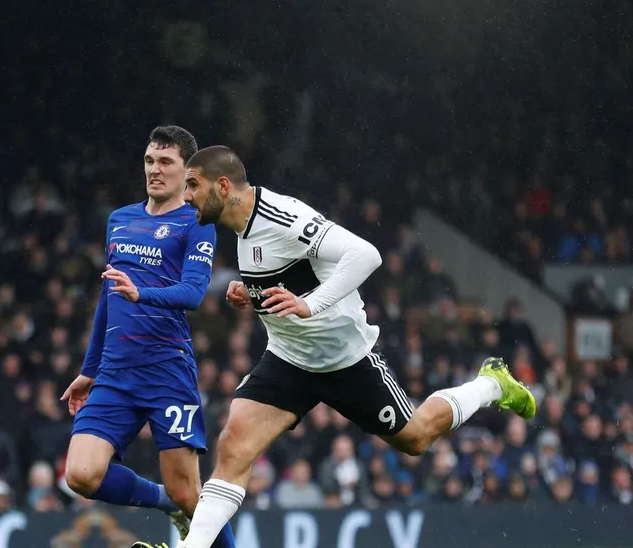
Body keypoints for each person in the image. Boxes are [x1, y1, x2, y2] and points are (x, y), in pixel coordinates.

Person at [158, 145, 537, 548]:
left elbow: (365, 255)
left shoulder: (282, 216)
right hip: (289, 360)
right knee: (234, 444)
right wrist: (253, 294)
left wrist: (311, 304)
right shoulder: (238, 226)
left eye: (193, 186)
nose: (186, 197)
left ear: (222, 185)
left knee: (416, 438)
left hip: (345, 361)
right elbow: (293, 274)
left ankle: (491, 384)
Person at [61, 126, 235, 548]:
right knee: (80, 476)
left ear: (187, 171)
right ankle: (162, 503)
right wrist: (89, 370)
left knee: (190, 493)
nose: (154, 171)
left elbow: (194, 293)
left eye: (165, 163)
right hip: (116, 372)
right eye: (149, 161)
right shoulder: (120, 220)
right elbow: (108, 298)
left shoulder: (197, 222)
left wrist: (142, 292)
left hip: (166, 369)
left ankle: (183, 508)